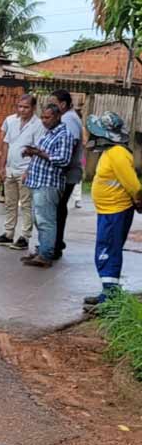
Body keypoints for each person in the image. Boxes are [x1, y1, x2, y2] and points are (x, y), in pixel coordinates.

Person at [82, 112, 142, 306]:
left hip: (115, 211)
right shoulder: (112, 152)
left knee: (108, 249)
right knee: (107, 248)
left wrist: (138, 200)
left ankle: (110, 296)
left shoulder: (117, 153)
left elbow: (134, 185)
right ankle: (109, 292)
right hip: (109, 210)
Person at [20, 103, 74, 268]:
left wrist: (38, 153)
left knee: (46, 220)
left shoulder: (64, 134)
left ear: (57, 117)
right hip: (38, 181)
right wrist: (32, 153)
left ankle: (46, 255)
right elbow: (42, 154)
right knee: (39, 219)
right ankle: (43, 249)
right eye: (42, 117)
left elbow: (63, 160)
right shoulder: (48, 133)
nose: (44, 121)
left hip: (49, 184)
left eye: (47, 117)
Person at [0, 94, 42, 250]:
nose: (22, 110)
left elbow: (38, 150)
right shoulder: (11, 121)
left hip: (25, 170)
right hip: (10, 169)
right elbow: (6, 145)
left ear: (33, 108)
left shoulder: (38, 124)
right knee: (10, 203)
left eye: (26, 107)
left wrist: (29, 170)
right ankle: (8, 234)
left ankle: (24, 237)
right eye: (20, 106)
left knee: (26, 204)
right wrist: (2, 166)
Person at [50, 90, 83, 259]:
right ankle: (56, 242)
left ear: (62, 104)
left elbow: (70, 142)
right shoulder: (71, 117)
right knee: (59, 208)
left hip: (66, 173)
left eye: (53, 103)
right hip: (67, 172)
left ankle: (55, 245)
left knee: (57, 209)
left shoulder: (68, 119)